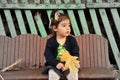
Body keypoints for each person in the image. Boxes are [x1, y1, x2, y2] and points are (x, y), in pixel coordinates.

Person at [44, 10, 80, 80]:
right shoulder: (50, 42)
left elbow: (76, 54)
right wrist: (56, 64)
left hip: (69, 64)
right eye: (64, 26)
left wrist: (68, 64)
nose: (68, 28)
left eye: (69, 25)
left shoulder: (72, 40)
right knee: (52, 74)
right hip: (55, 65)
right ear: (55, 28)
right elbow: (48, 56)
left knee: (73, 73)